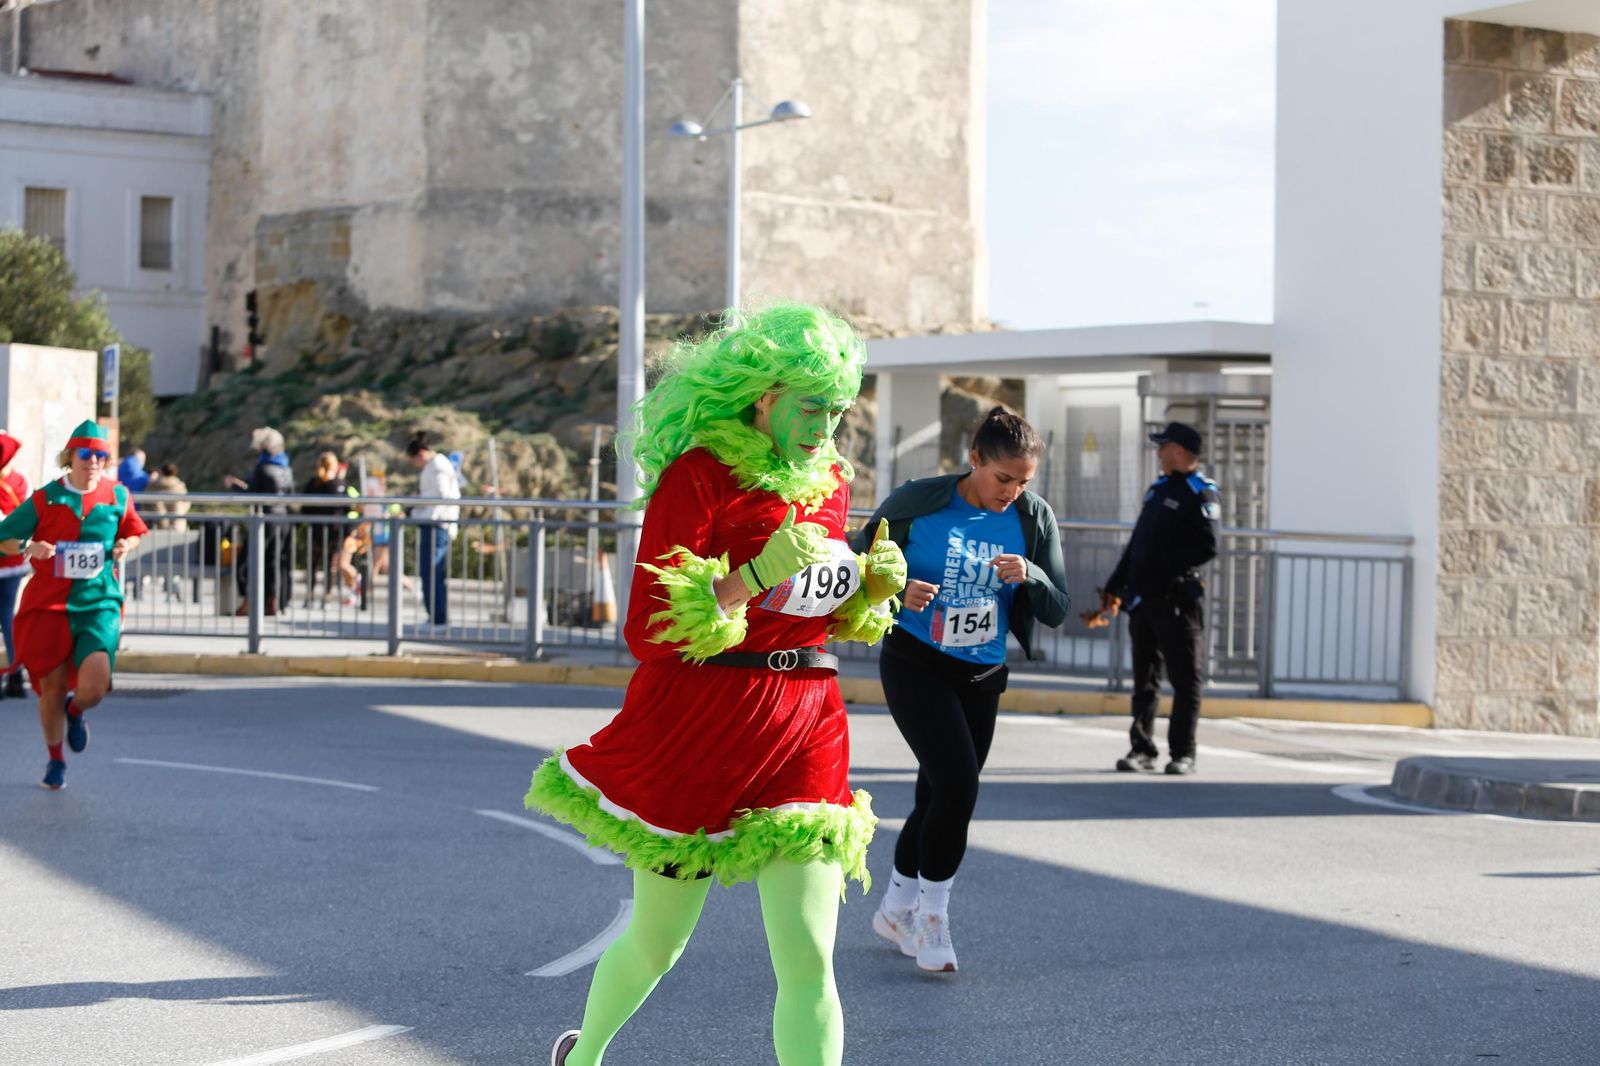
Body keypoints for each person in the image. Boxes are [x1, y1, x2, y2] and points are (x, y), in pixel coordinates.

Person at [525, 304, 905, 1066]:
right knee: (659, 942)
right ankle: (584, 1054)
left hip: (807, 721)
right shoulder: (699, 476)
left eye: (837, 410)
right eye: (811, 408)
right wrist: (751, 576)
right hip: (703, 723)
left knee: (809, 957)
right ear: (764, 396)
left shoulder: (831, 482)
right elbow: (648, 628)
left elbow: (808, 611)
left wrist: (868, 591)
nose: (825, 428)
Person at [856, 406, 1070, 974]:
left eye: (1023, 481)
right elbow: (857, 564)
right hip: (916, 662)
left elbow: (1058, 607)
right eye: (1003, 478)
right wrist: (897, 591)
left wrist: (1031, 574)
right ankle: (932, 917)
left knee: (939, 795)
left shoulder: (1032, 517)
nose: (1012, 492)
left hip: (982, 673)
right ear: (974, 459)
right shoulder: (918, 500)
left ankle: (895, 908)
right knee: (958, 786)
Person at [0, 420, 148, 790]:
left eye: (100, 455)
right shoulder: (46, 497)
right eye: (86, 454)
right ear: (70, 457)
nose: (93, 461)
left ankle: (76, 709)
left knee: (96, 687)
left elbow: (134, 532)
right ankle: (55, 760)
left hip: (98, 602)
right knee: (51, 687)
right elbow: (4, 537)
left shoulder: (117, 496)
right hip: (49, 603)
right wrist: (28, 547)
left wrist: (124, 546)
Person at [1085, 421, 1220, 776]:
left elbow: (1208, 545)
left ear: (1180, 450)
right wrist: (1115, 585)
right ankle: (1142, 749)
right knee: (1145, 680)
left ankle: (1183, 752)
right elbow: (1138, 545)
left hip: (1176, 601)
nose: (1159, 453)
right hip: (1143, 599)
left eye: (1164, 446)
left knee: (1185, 679)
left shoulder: (1200, 492)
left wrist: (1163, 569)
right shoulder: (1158, 489)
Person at [224, 427, 294, 616]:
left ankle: (248, 602)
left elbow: (253, 493)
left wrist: (235, 486)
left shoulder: (263, 467)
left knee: (247, 562)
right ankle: (274, 602)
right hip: (283, 519)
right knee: (275, 562)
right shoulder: (286, 467)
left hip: (264, 520)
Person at [405, 431, 460, 627]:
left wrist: (417, 504)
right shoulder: (435, 465)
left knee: (432, 572)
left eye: (414, 460)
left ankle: (438, 618)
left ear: (420, 454)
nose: (415, 465)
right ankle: (436, 616)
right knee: (430, 572)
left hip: (436, 524)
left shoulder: (438, 465)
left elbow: (440, 496)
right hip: (432, 522)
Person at [301, 452, 361, 607]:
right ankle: (326, 597)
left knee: (312, 565)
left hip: (315, 531)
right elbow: (349, 508)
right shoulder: (340, 485)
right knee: (329, 567)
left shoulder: (313, 483)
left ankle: (309, 597)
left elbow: (304, 508)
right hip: (334, 532)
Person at [0, 431, 31, 699]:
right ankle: (15, 673)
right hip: (13, 558)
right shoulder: (19, 481)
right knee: (8, 617)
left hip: (6, 555)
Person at [146, 462, 190, 532]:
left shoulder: (153, 486)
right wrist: (182, 511)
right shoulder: (179, 486)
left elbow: (146, 503)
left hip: (157, 525)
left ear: (161, 472)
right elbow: (186, 502)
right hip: (178, 523)